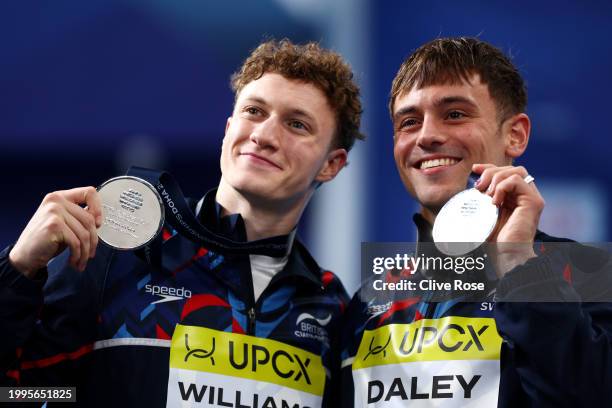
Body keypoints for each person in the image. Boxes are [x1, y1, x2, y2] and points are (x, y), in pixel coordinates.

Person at [0, 39, 364, 407]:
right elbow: (15, 394)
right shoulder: (120, 251)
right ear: (228, 129)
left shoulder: (329, 307)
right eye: (254, 111)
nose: (264, 135)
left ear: (331, 164)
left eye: (297, 124)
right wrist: (16, 269)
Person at [341, 37, 612, 407]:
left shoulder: (592, 275)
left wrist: (519, 264)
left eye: (454, 114)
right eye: (409, 121)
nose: (427, 136)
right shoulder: (370, 301)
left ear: (514, 134)